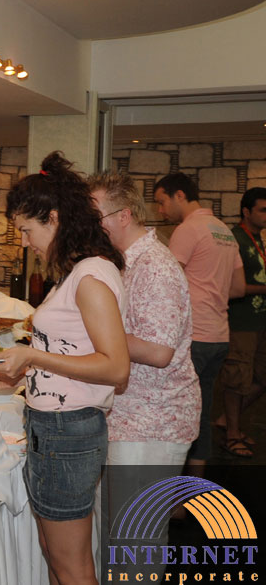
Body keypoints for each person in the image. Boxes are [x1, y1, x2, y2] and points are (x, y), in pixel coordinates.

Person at [0, 152, 129, 585]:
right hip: (52, 427)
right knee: (54, 554)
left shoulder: (90, 275)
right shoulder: (74, 273)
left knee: (72, 564)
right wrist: (18, 370)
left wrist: (32, 356)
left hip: (68, 432)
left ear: (52, 217)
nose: (25, 242)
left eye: (27, 231)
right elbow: (69, 349)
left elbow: (115, 367)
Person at [87, 171, 200, 467]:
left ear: (124, 216)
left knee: (136, 515)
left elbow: (158, 351)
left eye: (94, 216)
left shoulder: (155, 267)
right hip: (129, 415)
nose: (89, 226)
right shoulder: (124, 261)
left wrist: (88, 332)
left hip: (153, 422)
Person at [154, 172, 244, 469]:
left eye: (162, 202)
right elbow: (238, 288)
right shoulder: (224, 231)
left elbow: (169, 282)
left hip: (194, 336)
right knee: (200, 413)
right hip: (219, 336)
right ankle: (194, 493)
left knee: (177, 414)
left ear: (180, 195)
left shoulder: (188, 229)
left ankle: (174, 497)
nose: (160, 210)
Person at [212, 187, 266, 457]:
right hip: (240, 321)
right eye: (262, 210)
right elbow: (235, 286)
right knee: (236, 379)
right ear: (246, 211)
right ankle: (232, 433)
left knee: (260, 378)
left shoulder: (257, 239)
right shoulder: (235, 239)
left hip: (259, 321)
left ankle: (226, 420)